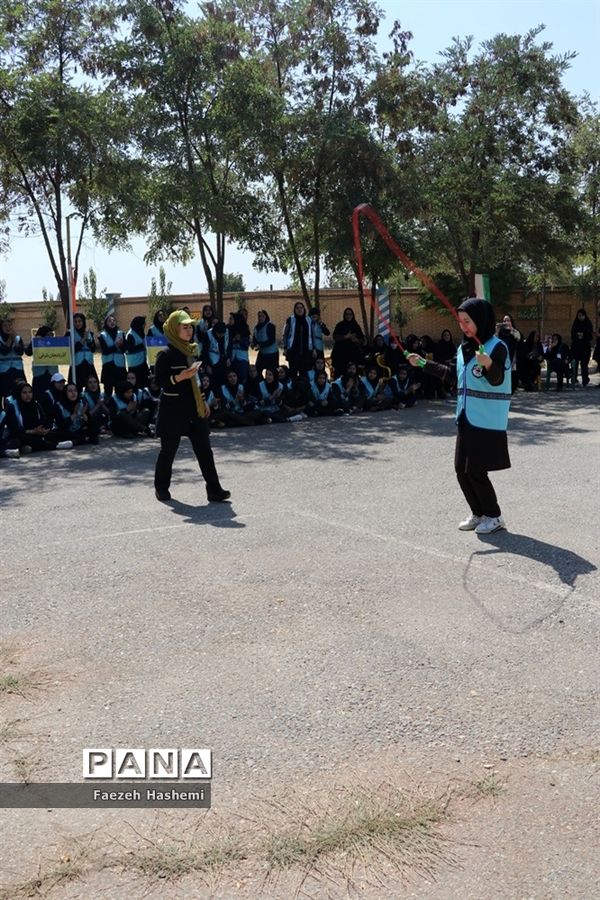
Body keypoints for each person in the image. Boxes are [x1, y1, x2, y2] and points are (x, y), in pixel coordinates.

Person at [407, 298, 511, 535]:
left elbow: (497, 379)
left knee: (475, 470)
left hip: (486, 418)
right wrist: (423, 363)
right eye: (460, 322)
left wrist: (488, 365)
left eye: (467, 321)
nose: (463, 326)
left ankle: (494, 516)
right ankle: (479, 513)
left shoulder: (497, 347)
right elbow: (451, 375)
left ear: (481, 321)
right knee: (460, 469)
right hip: (465, 416)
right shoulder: (463, 348)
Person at [154, 310, 230, 503]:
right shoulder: (165, 355)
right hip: (172, 410)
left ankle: (214, 489)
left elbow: (196, 381)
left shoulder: (192, 351)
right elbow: (160, 382)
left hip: (194, 408)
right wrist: (181, 377)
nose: (189, 331)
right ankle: (161, 488)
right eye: (184, 327)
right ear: (174, 329)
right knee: (168, 450)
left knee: (204, 449)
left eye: (190, 327)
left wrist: (203, 400)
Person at [5, 381, 72, 454]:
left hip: (38, 434)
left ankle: (26, 448)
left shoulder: (36, 405)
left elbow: (44, 420)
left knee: (57, 432)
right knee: (20, 439)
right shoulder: (12, 407)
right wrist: (33, 431)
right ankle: (56, 445)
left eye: (30, 392)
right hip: (24, 434)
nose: (28, 395)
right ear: (19, 394)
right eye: (24, 393)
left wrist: (44, 430)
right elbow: (14, 429)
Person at [24, 325, 58, 400]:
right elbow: (28, 352)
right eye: (48, 334)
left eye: (52, 334)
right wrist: (35, 341)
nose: (51, 336)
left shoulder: (55, 343)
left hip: (52, 374)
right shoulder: (37, 343)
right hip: (39, 375)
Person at [67, 312, 98, 390]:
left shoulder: (89, 333)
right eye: (75, 321)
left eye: (79, 321)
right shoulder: (69, 333)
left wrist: (88, 340)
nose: (78, 323)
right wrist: (83, 339)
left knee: (92, 387)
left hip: (88, 363)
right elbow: (71, 349)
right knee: (77, 387)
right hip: (76, 365)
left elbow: (93, 349)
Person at [98, 314, 127, 398]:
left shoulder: (121, 333)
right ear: (106, 323)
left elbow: (124, 349)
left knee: (120, 389)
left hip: (120, 366)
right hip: (108, 366)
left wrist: (121, 345)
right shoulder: (102, 335)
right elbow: (105, 350)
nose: (112, 322)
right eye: (109, 321)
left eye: (114, 320)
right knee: (108, 391)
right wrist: (116, 345)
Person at [283, 302, 314, 377]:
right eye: (297, 308)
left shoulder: (309, 320)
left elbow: (312, 335)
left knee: (304, 374)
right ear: (294, 309)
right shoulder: (290, 319)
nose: (299, 309)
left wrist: (314, 349)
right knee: (293, 373)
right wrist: (285, 347)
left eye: (301, 307)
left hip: (306, 352)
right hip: (293, 352)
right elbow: (285, 334)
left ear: (304, 309)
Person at [331, 308, 365, 377]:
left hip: (353, 354)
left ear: (353, 315)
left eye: (350, 314)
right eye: (347, 314)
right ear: (344, 315)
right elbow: (335, 336)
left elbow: (362, 340)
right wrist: (345, 337)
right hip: (340, 354)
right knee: (340, 372)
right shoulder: (340, 325)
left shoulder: (356, 326)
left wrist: (356, 340)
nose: (348, 316)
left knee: (353, 373)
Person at [0, 318, 25, 402]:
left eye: (10, 325)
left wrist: (15, 341)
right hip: (4, 371)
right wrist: (10, 338)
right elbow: (4, 351)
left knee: (19, 391)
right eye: (5, 326)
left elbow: (20, 351)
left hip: (18, 370)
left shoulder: (18, 338)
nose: (8, 328)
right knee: (7, 394)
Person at [570, 307, 593, 386]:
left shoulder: (588, 324)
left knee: (584, 364)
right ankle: (574, 379)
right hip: (576, 347)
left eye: (581, 315)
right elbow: (572, 333)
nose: (579, 317)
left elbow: (590, 336)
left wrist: (583, 335)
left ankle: (585, 380)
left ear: (584, 316)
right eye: (578, 315)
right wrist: (577, 335)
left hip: (585, 347)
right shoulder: (575, 323)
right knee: (574, 364)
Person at [125, 316, 150, 388]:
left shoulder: (140, 332)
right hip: (134, 364)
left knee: (144, 382)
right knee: (136, 384)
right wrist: (141, 345)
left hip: (142, 362)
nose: (145, 325)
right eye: (143, 323)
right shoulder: (131, 334)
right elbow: (130, 349)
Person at [252, 310, 279, 375]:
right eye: (259, 316)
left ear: (266, 317)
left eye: (262, 316)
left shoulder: (270, 326)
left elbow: (271, 340)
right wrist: (253, 343)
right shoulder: (256, 327)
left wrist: (260, 345)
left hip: (272, 354)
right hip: (262, 353)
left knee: (271, 372)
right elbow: (254, 338)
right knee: (257, 370)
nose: (260, 318)